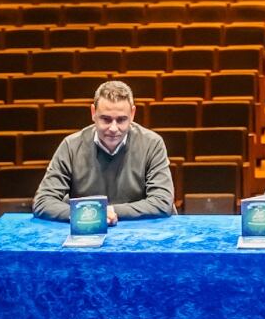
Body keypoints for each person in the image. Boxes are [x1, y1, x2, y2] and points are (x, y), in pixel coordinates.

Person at [33, 80, 175, 224]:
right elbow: (43, 201)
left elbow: (162, 202)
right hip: (87, 231)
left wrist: (107, 211)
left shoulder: (152, 144)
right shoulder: (71, 146)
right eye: (106, 119)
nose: (113, 128)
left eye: (121, 120)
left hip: (141, 233)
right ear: (93, 112)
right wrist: (86, 214)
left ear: (132, 114)